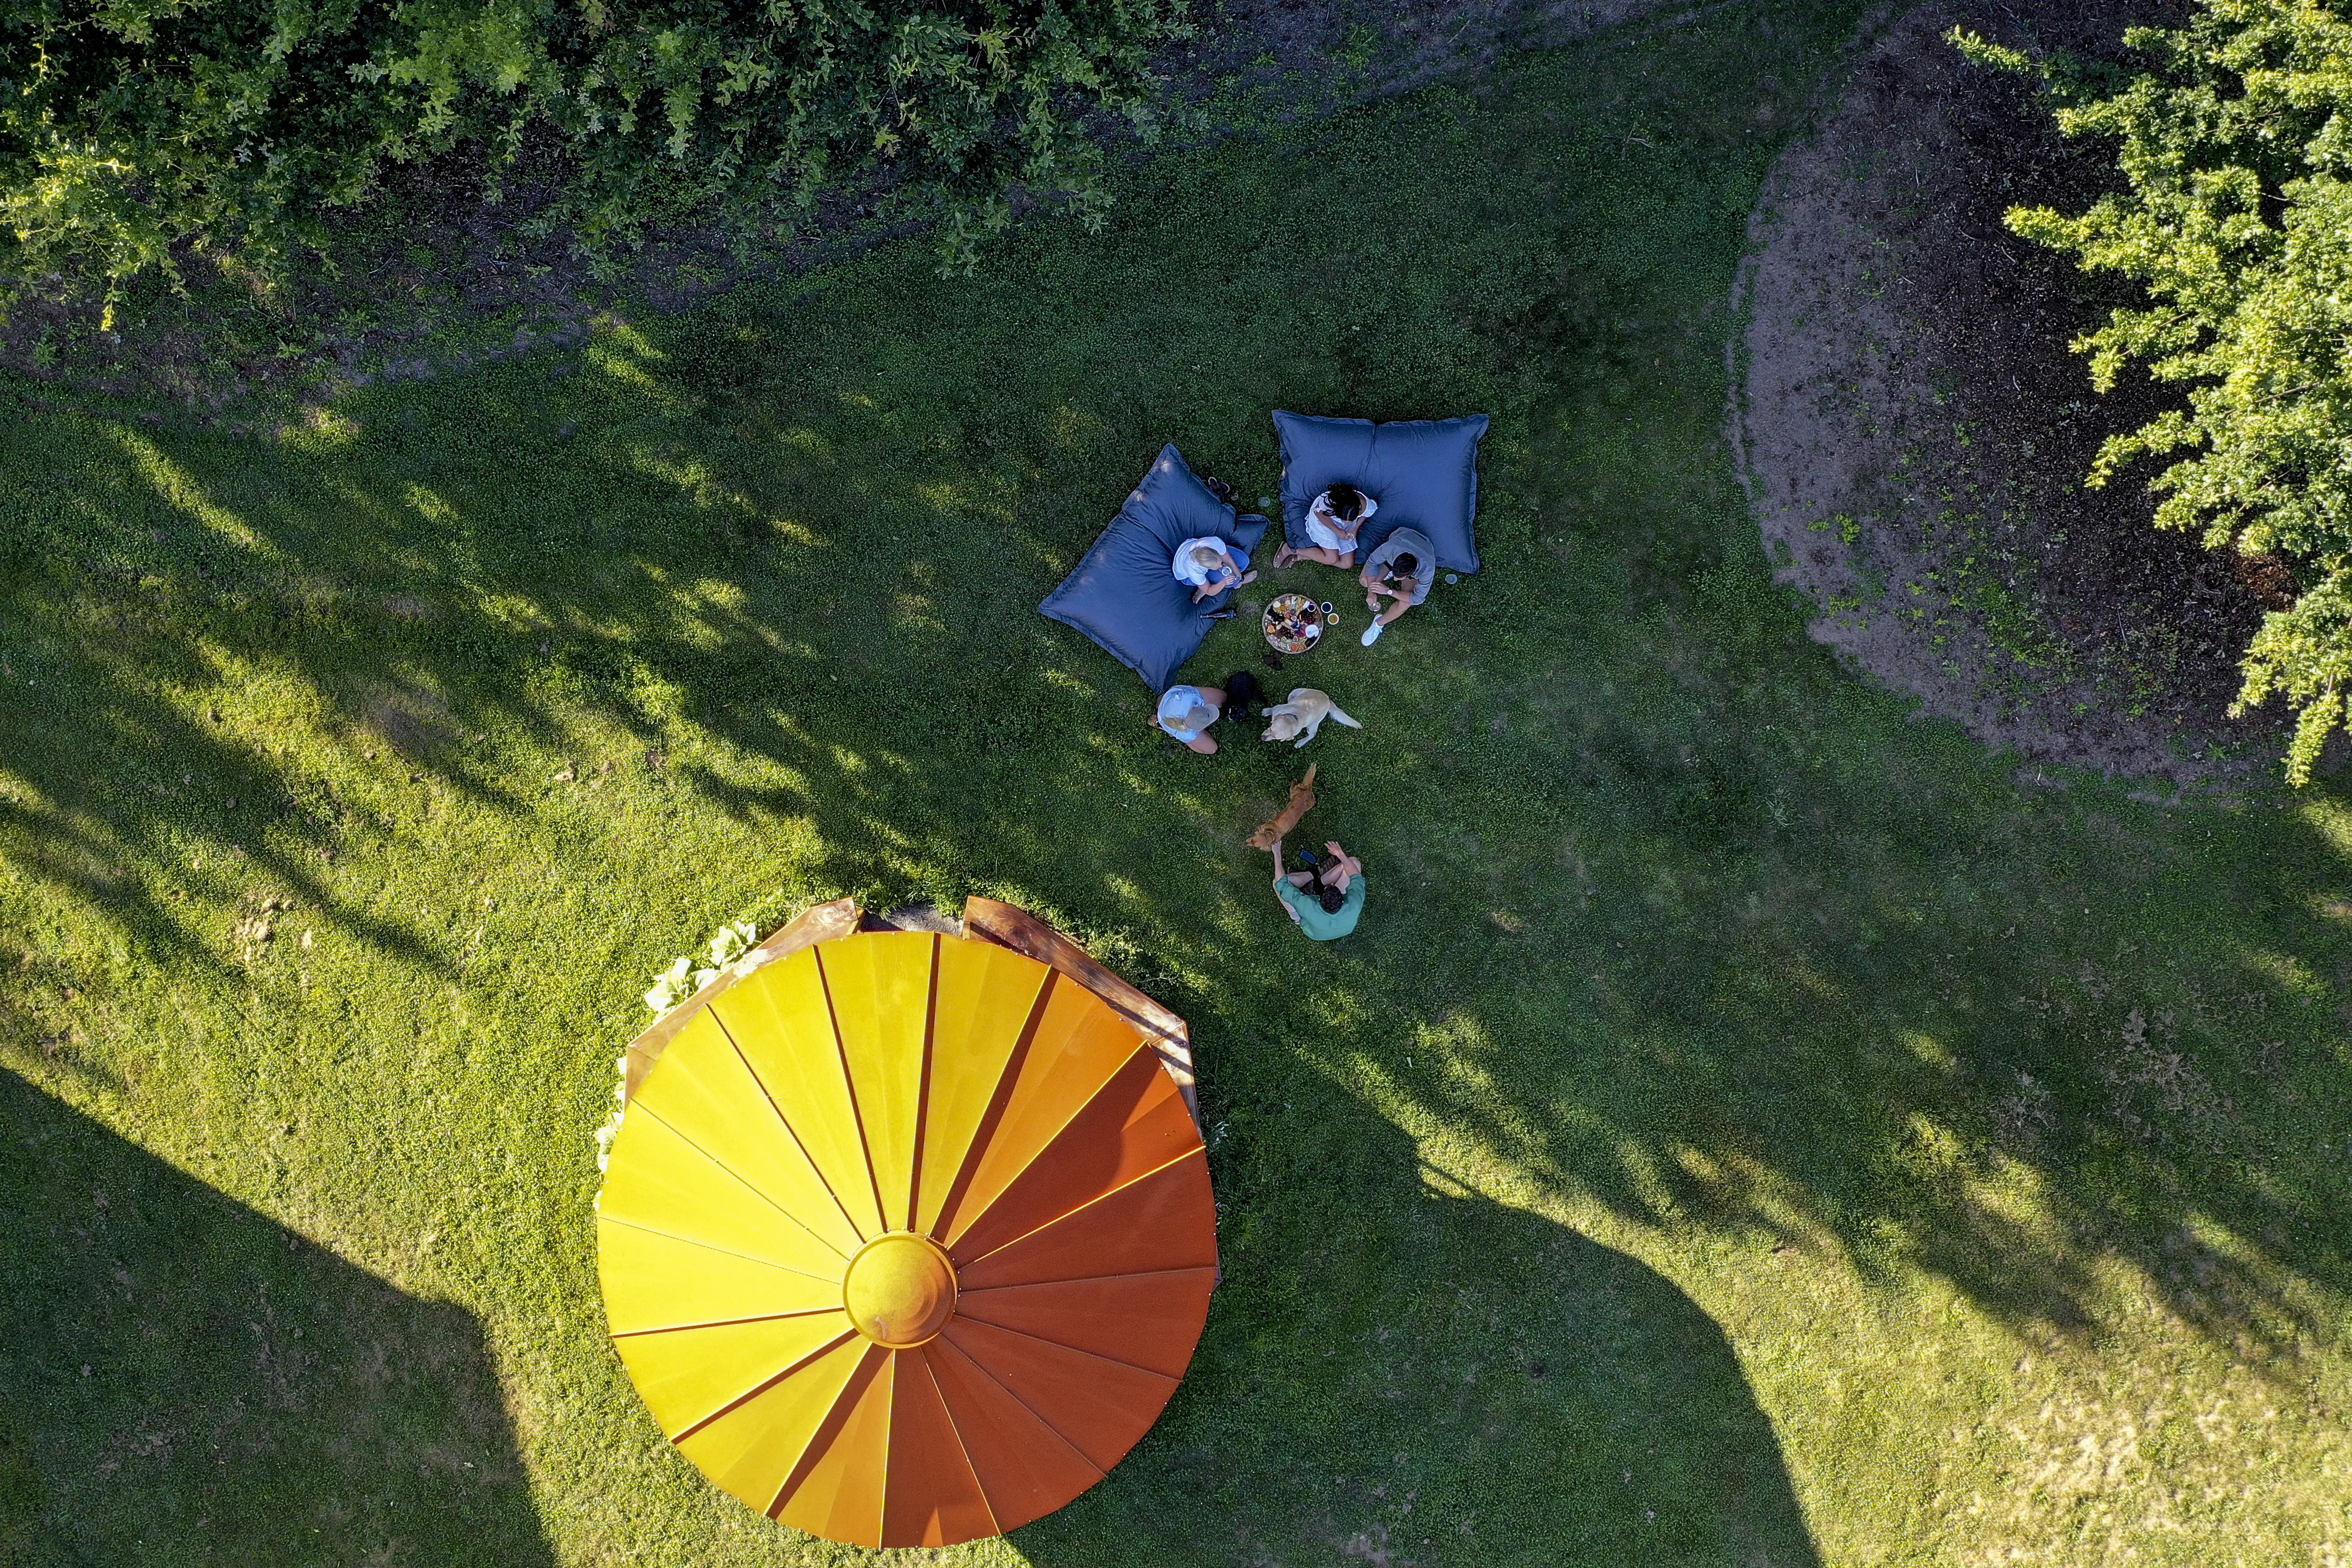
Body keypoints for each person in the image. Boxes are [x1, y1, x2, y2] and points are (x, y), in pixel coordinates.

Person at [1268, 837, 1365, 940]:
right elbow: (1356, 875)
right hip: (1340, 928)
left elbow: (1281, 884)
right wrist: (1340, 854)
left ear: (1319, 899)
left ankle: (1312, 878)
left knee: (1276, 883)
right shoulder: (1355, 901)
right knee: (1354, 863)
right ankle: (1317, 877)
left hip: (1313, 929)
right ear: (1343, 897)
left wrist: (1277, 854)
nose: (1333, 884)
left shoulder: (1307, 904)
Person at [1357, 525, 1436, 645]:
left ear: (1411, 574)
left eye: (1397, 578)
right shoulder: (1392, 547)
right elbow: (1372, 562)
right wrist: (1371, 592)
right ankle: (1388, 571)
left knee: (1406, 603)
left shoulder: (1427, 569)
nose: (1395, 580)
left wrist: (1389, 591)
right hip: (1400, 543)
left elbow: (1418, 599)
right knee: (1364, 581)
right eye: (1394, 575)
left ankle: (1378, 624)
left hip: (1423, 552)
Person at [1273, 482, 1376, 569]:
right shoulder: (1331, 501)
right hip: (1324, 523)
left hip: (1343, 528)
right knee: (1332, 559)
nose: (1347, 522)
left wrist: (1355, 529)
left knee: (1347, 564)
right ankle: (1291, 549)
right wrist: (1337, 531)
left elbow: (1366, 514)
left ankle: (1303, 556)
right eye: (1344, 519)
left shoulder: (1366, 505)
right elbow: (1318, 513)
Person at [1172, 536, 1256, 603]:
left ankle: (1203, 585)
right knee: (1225, 580)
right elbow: (1210, 591)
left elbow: (1228, 560)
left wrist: (1239, 577)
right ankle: (1203, 587)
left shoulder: (1214, 543)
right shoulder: (1194, 571)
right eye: (1218, 566)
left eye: (1221, 562)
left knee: (1244, 561)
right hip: (1186, 576)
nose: (1222, 566)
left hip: (1189, 549)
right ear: (1208, 568)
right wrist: (1223, 583)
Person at [1152, 683, 1230, 754]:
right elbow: (1213, 749)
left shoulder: (1189, 697)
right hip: (1168, 715)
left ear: (1196, 707)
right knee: (1212, 749)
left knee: (1224, 697)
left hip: (1172, 698)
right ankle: (1164, 726)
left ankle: (1167, 728)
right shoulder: (1189, 734)